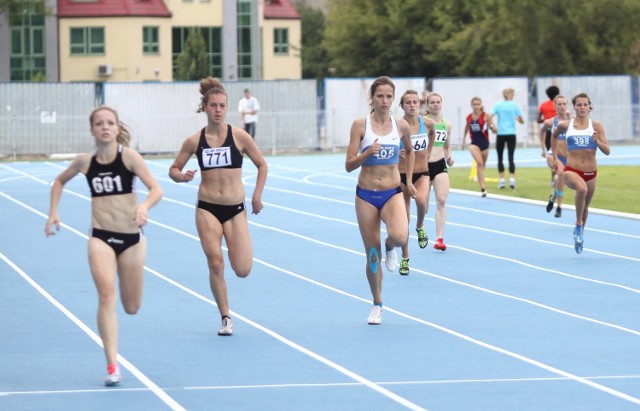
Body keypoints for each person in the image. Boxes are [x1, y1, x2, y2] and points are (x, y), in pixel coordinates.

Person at [44, 106, 163, 386]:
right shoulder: (85, 162)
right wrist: (53, 212)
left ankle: (114, 356)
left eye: (110, 123)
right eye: (100, 123)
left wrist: (144, 206)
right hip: (101, 237)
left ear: (117, 128)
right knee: (106, 296)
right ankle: (112, 365)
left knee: (131, 306)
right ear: (92, 129)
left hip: (132, 240)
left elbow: (157, 189)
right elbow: (59, 181)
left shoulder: (130, 158)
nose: (105, 127)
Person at [169, 77, 268, 335]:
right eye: (213, 105)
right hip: (207, 208)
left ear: (227, 108)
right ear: (205, 107)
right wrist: (181, 177)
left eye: (222, 105)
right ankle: (225, 317)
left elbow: (262, 165)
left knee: (243, 269)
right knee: (215, 262)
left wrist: (257, 196)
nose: (218, 110)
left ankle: (227, 311)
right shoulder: (194, 141)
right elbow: (173, 169)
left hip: (235, 209)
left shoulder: (240, 137)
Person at [345, 76, 416, 324]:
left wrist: (408, 180)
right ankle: (377, 303)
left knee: (400, 236)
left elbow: (411, 151)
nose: (385, 101)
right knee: (371, 255)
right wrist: (366, 154)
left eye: (389, 96)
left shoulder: (401, 126)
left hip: (392, 192)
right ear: (372, 98)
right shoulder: (360, 125)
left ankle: (390, 247)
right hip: (365, 195)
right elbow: (348, 165)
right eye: (380, 96)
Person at [551, 92, 610, 254]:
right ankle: (578, 224)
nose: (582, 107)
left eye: (585, 105)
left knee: (585, 206)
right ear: (574, 107)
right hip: (571, 170)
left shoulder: (596, 126)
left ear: (589, 107)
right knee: (581, 190)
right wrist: (555, 157)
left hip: (591, 173)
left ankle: (580, 234)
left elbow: (607, 151)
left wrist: (597, 141)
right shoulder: (565, 125)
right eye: (579, 105)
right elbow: (554, 136)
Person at [397, 90, 436, 275]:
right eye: (408, 103)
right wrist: (398, 153)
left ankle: (420, 226)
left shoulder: (426, 123)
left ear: (419, 105)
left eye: (415, 102)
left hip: (422, 173)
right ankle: (405, 258)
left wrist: (428, 153)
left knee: (421, 201)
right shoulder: (397, 126)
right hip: (401, 175)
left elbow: (433, 134)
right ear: (402, 106)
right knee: (404, 219)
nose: (412, 105)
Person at [425, 93, 454, 251]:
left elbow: (447, 145)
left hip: (440, 164)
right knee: (423, 203)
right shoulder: (422, 122)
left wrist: (449, 157)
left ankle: (439, 238)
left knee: (442, 200)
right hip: (424, 166)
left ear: (442, 104)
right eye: (432, 102)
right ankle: (420, 227)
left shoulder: (447, 124)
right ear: (428, 105)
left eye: (438, 102)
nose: (436, 105)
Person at [540, 95, 571, 217]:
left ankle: (553, 197)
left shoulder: (572, 121)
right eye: (559, 104)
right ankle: (559, 207)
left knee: (561, 180)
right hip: (553, 155)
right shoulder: (551, 122)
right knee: (561, 175)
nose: (562, 107)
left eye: (564, 104)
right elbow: (542, 131)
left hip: (568, 157)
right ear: (555, 106)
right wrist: (543, 149)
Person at [462, 97, 497, 197]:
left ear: (481, 105)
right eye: (474, 104)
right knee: (480, 163)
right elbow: (466, 127)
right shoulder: (469, 117)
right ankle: (483, 189)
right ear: (471, 105)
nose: (476, 106)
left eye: (478, 104)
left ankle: (481, 184)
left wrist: (492, 127)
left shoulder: (486, 116)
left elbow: (495, 130)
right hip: (474, 144)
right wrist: (464, 139)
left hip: (485, 144)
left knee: (482, 166)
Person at [490, 87, 524, 189]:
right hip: (511, 133)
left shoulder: (497, 105)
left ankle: (502, 180)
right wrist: (516, 119)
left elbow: (489, 116)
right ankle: (512, 179)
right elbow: (522, 120)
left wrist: (492, 126)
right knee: (511, 156)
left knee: (500, 157)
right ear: (511, 95)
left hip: (500, 133)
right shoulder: (514, 105)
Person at [538, 85, 561, 186]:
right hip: (560, 131)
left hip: (548, 132)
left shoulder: (543, 105)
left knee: (552, 155)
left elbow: (538, 119)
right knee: (561, 154)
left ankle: (553, 178)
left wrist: (546, 120)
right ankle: (559, 176)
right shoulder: (560, 104)